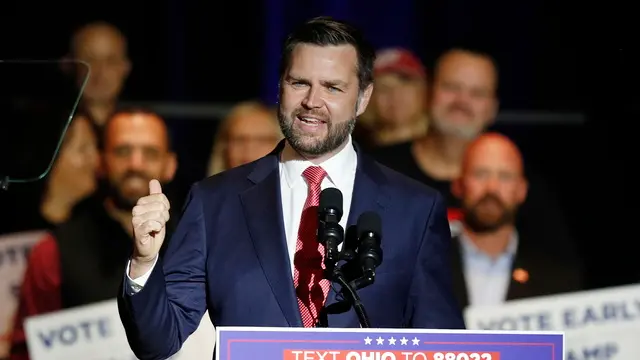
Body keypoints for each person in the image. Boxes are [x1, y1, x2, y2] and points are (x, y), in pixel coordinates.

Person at [118, 17, 464, 359]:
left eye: (332, 87)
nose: (312, 101)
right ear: (280, 86)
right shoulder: (215, 202)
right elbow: (157, 341)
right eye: (299, 82)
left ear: (363, 98)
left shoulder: (416, 209)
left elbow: (444, 347)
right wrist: (144, 262)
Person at [9, 108, 177, 360]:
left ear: (170, 165)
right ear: (100, 162)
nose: (135, 164)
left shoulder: (196, 244)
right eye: (122, 151)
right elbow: (26, 350)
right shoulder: (54, 251)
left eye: (150, 153)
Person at [448, 133, 583, 310]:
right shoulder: (421, 267)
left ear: (522, 190)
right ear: (458, 184)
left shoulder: (556, 277)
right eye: (480, 174)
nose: (492, 188)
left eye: (504, 176)